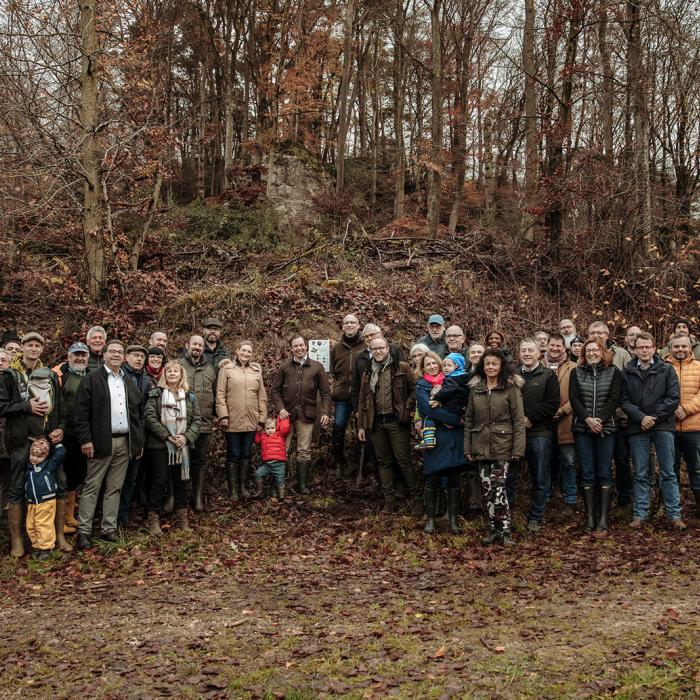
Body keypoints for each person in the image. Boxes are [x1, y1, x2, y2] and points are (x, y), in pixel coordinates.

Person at [73, 340, 144, 549]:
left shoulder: (126, 380)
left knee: (115, 487)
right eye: (112, 351)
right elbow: (80, 413)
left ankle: (108, 529)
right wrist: (86, 439)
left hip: (124, 442)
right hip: (100, 442)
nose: (116, 355)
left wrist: (137, 443)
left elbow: (136, 413)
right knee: (92, 487)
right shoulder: (92, 379)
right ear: (104, 355)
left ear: (124, 357)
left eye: (120, 352)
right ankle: (83, 531)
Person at [0, 332, 64, 558]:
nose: (34, 349)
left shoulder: (48, 375)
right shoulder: (9, 375)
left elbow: (59, 407)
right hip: (20, 441)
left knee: (57, 484)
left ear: (42, 349)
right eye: (30, 345)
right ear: (22, 347)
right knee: (17, 488)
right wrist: (26, 407)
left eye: (38, 345)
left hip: (46, 439)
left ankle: (58, 535)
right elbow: (2, 407)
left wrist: (60, 428)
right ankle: (18, 541)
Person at [621, 332, 685, 530]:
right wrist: (642, 417)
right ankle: (640, 514)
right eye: (641, 347)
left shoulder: (666, 370)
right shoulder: (627, 371)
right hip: (637, 426)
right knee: (640, 472)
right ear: (635, 349)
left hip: (663, 425)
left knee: (669, 472)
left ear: (655, 348)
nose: (644, 350)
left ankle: (675, 515)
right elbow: (623, 400)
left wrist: (654, 418)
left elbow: (673, 398)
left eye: (648, 346)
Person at [464, 349, 525, 546]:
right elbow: (469, 420)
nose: (490, 367)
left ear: (501, 367)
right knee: (487, 489)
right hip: (481, 446)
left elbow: (518, 421)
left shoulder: (510, 388)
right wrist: (468, 448)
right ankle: (493, 529)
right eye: (487, 363)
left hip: (503, 446)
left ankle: (505, 530)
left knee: (499, 489)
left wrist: (518, 449)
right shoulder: (476, 389)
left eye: (494, 364)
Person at [357, 336, 421, 514]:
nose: (378, 351)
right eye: (374, 349)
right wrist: (362, 425)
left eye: (381, 348)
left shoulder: (401, 367)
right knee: (383, 462)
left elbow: (415, 389)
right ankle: (389, 500)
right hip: (376, 424)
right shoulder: (368, 371)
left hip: (396, 422)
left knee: (403, 460)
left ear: (387, 348)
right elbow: (363, 399)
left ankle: (417, 499)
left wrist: (406, 407)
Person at [569, 338, 622, 532]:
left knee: (604, 471)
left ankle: (603, 518)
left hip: (606, 429)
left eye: (595, 350)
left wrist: (599, 419)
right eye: (588, 351)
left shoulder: (613, 372)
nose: (592, 353)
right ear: (583, 353)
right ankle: (590, 517)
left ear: (602, 351)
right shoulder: (577, 372)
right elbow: (573, 398)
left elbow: (614, 398)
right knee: (587, 471)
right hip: (582, 429)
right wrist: (587, 420)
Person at [143, 360, 201, 535]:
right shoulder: (156, 394)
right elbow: (149, 417)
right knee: (159, 481)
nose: (173, 374)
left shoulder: (189, 396)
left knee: (181, 482)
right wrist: (168, 436)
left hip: (181, 446)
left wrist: (186, 437)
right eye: (169, 371)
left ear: (181, 374)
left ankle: (182, 520)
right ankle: (153, 520)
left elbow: (197, 421)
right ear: (164, 374)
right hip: (160, 445)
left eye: (176, 371)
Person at [416, 352, 469, 534]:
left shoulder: (451, 381)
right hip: (435, 434)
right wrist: (453, 419)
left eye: (434, 363)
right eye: (427, 364)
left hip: (454, 435)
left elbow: (463, 401)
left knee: (453, 475)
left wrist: (456, 419)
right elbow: (427, 409)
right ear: (423, 368)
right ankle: (430, 520)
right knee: (433, 475)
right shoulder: (422, 385)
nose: (431, 366)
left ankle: (453, 520)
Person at [270, 336, 330, 494]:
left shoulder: (317, 367)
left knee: (304, 450)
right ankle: (279, 484)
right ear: (291, 349)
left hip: (307, 414)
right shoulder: (284, 367)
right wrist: (280, 408)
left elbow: (325, 393)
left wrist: (325, 412)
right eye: (295, 346)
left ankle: (302, 485)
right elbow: (274, 391)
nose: (299, 348)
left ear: (306, 347)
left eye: (301, 345)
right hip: (286, 415)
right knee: (281, 449)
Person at [512, 339, 560, 532]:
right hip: (514, 434)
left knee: (540, 477)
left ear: (539, 353)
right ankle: (510, 515)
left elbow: (552, 402)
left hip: (539, 433)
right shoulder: (512, 374)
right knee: (510, 476)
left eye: (530, 350)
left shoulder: (548, 375)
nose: (527, 353)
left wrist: (531, 418)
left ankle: (536, 517)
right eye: (523, 350)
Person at [588, 321, 633, 507]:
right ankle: (600, 500)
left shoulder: (621, 354)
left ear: (607, 335)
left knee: (621, 458)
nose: (597, 336)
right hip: (594, 419)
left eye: (601, 332)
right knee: (598, 462)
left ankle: (624, 498)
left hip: (619, 418)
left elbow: (629, 384)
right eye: (593, 333)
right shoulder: (587, 354)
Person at [216, 340, 267, 499]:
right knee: (234, 453)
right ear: (237, 351)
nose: (246, 354)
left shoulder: (255, 370)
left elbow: (262, 397)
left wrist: (262, 418)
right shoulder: (227, 369)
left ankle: (243, 487)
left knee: (246, 453)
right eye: (243, 350)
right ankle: (233, 490)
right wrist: (223, 415)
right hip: (232, 420)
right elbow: (220, 394)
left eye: (249, 351)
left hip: (251, 421)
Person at [52, 342, 90, 538]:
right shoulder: (61, 375)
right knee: (63, 475)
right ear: (69, 356)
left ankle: (69, 516)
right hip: (64, 433)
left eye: (83, 355)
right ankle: (58, 520)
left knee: (77, 474)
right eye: (76, 355)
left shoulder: (90, 375)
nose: (80, 358)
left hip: (83, 434)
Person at [117, 345, 153, 528]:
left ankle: (124, 514)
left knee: (132, 477)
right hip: (121, 432)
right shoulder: (119, 376)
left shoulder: (146, 379)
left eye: (142, 356)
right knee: (117, 478)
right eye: (135, 355)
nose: (139, 359)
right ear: (126, 357)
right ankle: (112, 516)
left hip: (139, 434)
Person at [180, 335, 217, 512]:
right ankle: (181, 498)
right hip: (183, 425)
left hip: (204, 422)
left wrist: (218, 416)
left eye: (200, 345)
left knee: (201, 461)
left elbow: (216, 394)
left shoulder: (210, 369)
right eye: (194, 343)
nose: (197, 347)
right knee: (182, 460)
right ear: (187, 345)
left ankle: (198, 498)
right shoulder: (178, 366)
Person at [544, 333, 578, 516]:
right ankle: (546, 497)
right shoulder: (539, 366)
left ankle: (570, 499)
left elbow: (578, 395)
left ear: (564, 348)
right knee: (546, 462)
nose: (555, 349)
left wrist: (562, 410)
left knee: (568, 462)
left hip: (567, 422)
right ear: (547, 346)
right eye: (552, 345)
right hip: (543, 423)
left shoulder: (574, 367)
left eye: (559, 346)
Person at [666, 335, 700, 516]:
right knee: (671, 469)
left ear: (690, 348)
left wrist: (686, 409)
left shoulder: (699, 367)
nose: (680, 349)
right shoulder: (663, 368)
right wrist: (670, 410)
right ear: (670, 348)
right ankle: (673, 509)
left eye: (684, 346)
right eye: (676, 346)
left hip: (694, 428)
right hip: (669, 428)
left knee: (697, 468)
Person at [329, 314, 364, 473]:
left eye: (353, 322)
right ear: (342, 327)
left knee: (362, 428)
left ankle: (357, 462)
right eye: (346, 323)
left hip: (361, 396)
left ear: (358, 325)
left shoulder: (366, 345)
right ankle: (339, 460)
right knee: (338, 425)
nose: (349, 325)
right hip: (342, 396)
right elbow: (330, 369)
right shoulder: (336, 348)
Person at [25, 437, 66, 559]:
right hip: (32, 502)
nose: (35, 458)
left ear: (45, 456)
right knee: (31, 525)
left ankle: (46, 548)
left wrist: (57, 444)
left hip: (46, 500)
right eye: (32, 455)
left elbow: (61, 454)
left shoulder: (48, 465)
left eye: (39, 456)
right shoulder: (29, 468)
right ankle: (37, 546)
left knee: (43, 524)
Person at [254, 416, 291, 499]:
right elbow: (257, 440)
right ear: (264, 429)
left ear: (276, 427)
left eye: (272, 428)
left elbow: (285, 427)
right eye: (267, 428)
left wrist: (283, 417)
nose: (270, 430)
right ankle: (260, 490)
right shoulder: (263, 436)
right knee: (258, 474)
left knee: (280, 481)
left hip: (279, 464)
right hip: (267, 465)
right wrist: (257, 432)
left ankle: (281, 495)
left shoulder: (280, 435)